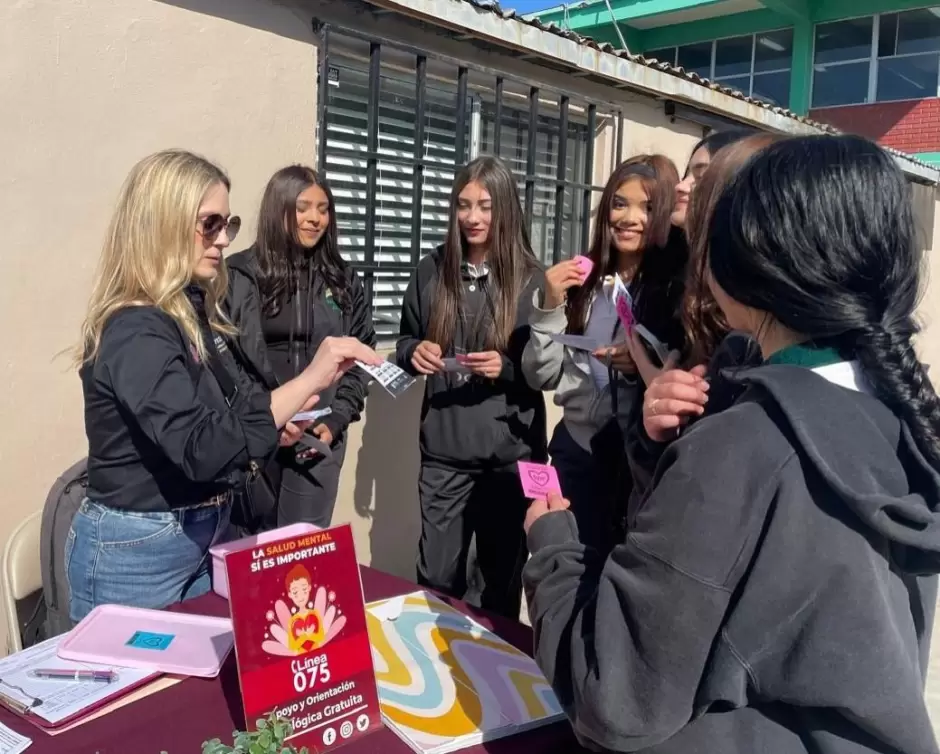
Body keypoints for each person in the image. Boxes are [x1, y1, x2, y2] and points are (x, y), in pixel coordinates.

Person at [523, 134, 940, 753]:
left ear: (749, 259)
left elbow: (614, 695)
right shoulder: (899, 415)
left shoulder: (745, 445)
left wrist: (551, 543)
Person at [69, 150, 381, 622]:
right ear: (163, 224)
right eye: (208, 224)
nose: (221, 240)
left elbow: (234, 405)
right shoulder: (136, 329)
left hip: (200, 533)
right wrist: (312, 379)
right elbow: (203, 446)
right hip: (139, 552)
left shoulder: (189, 310)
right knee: (144, 697)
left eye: (227, 225)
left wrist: (280, 421)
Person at [395, 155, 547, 620]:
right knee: (438, 579)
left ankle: (492, 684)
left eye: (484, 205)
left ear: (505, 209)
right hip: (444, 455)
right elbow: (404, 338)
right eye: (463, 205)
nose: (473, 217)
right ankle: (435, 676)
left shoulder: (532, 279)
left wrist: (505, 367)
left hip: (512, 458)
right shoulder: (431, 270)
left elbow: (548, 368)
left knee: (501, 582)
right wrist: (411, 352)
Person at [521, 155, 685, 550]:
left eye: (646, 207)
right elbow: (540, 375)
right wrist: (549, 302)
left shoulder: (671, 289)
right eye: (619, 203)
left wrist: (642, 366)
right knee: (563, 562)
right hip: (575, 450)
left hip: (634, 463)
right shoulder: (583, 281)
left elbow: (680, 373)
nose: (629, 217)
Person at [626, 134, 780, 500]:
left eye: (701, 175)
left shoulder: (748, 332)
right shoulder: (672, 275)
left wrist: (657, 384)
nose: (681, 187)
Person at [226, 166, 376, 531]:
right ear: (280, 209)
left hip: (317, 437)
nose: (315, 219)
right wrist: (267, 418)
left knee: (301, 555)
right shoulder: (240, 274)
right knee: (253, 552)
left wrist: (338, 417)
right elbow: (227, 360)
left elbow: (361, 351)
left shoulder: (343, 278)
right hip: (258, 436)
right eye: (304, 207)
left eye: (324, 209)